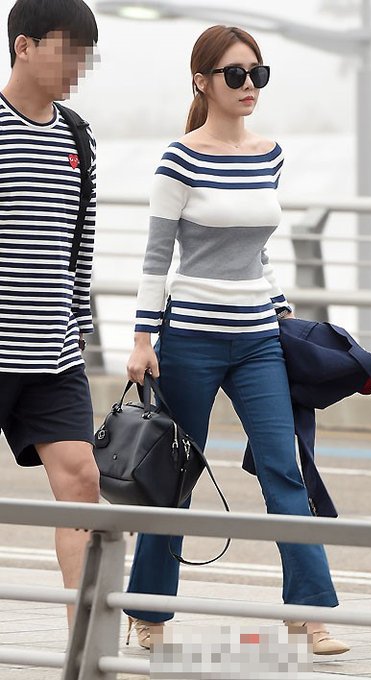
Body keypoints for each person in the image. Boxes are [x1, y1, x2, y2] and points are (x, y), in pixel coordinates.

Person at [126, 24, 349, 656]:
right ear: (202, 81)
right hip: (190, 339)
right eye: (235, 74)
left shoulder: (269, 154)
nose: (249, 84)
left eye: (258, 73)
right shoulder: (179, 160)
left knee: (285, 469)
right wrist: (143, 338)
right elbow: (156, 260)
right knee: (173, 478)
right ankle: (148, 613)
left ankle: (308, 614)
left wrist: (280, 309)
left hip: (258, 340)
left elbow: (257, 251)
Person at [0, 0, 99, 628]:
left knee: (82, 481)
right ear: (24, 46)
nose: (77, 68)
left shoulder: (76, 137)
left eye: (85, 56)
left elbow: (80, 245)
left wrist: (77, 327)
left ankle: (86, 650)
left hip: (53, 353)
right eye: (68, 52)